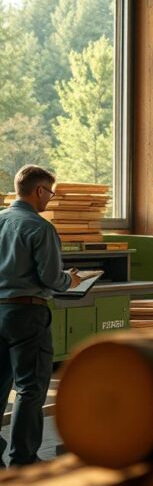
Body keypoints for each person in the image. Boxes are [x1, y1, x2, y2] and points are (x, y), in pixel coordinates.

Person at [0, 165, 82, 465]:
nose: (50, 198)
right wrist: (69, 280)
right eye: (50, 192)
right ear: (38, 191)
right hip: (26, 314)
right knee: (30, 387)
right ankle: (23, 457)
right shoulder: (39, 227)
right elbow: (49, 277)